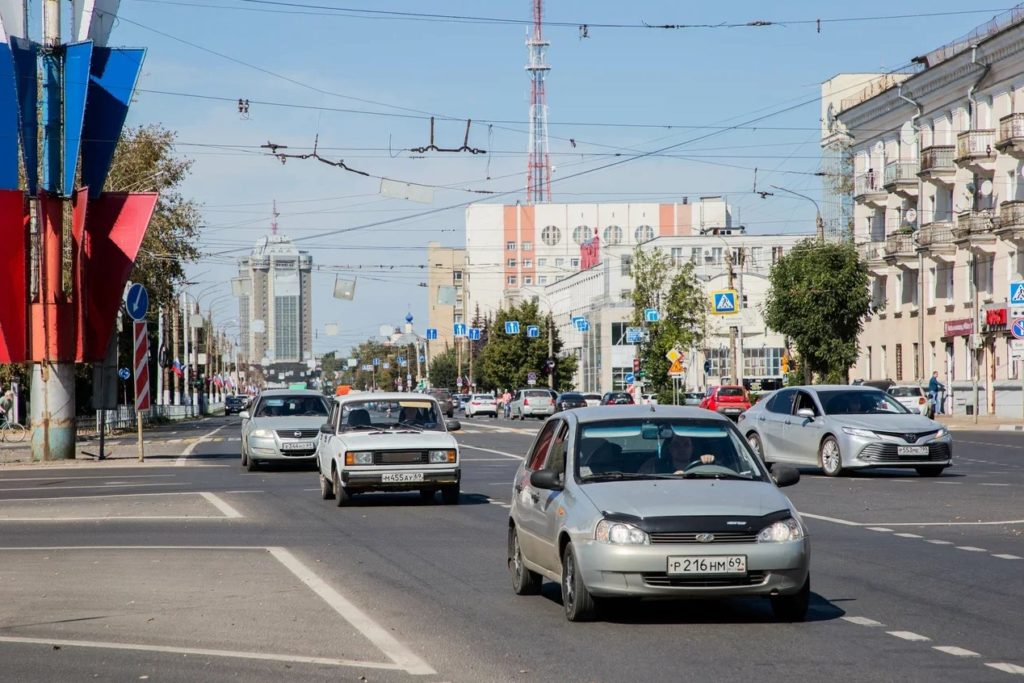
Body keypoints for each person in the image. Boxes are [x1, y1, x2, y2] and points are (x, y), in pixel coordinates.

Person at [640, 435, 715, 474]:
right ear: (670, 448)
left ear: (692, 448)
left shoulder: (703, 465)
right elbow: (641, 484)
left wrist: (710, 463)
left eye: (686, 444)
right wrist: (671, 478)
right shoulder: (654, 466)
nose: (682, 448)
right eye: (676, 445)